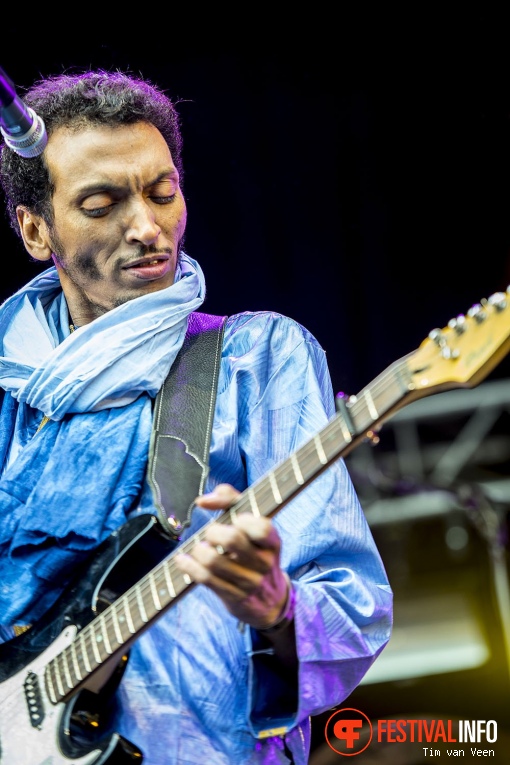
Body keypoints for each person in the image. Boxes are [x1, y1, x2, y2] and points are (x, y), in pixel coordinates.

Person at [0, 69, 392, 764]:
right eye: (100, 203)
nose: (147, 228)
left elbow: (356, 610)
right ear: (37, 230)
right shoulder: (10, 396)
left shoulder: (256, 357)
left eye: (163, 192)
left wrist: (277, 606)